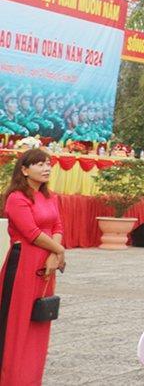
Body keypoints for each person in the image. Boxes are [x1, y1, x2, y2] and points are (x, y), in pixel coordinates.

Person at [0, 148, 65, 385]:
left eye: (48, 163)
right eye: (39, 164)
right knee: (17, 323)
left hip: (46, 266)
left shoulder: (51, 197)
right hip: (23, 264)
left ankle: (30, 377)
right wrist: (57, 251)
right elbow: (31, 232)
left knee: (40, 318)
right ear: (25, 170)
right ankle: (10, 377)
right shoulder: (17, 198)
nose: (46, 168)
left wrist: (53, 255)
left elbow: (58, 226)